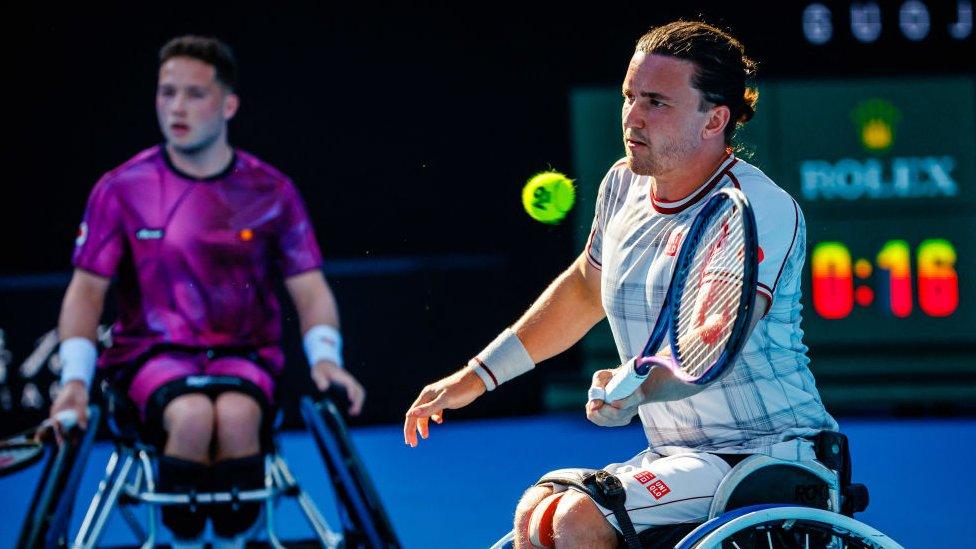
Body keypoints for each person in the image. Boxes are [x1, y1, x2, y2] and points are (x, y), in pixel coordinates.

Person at [404, 20, 838, 548]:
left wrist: (635, 385)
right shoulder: (623, 183)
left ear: (714, 119)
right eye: (629, 96)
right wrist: (475, 378)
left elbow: (709, 344)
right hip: (675, 454)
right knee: (535, 516)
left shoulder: (756, 209)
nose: (633, 116)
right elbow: (585, 290)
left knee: (577, 522)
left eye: (656, 102)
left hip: (767, 455)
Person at [48, 35, 365, 549]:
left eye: (194, 94)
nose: (177, 107)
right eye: (166, 92)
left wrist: (327, 361)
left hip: (245, 358)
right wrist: (75, 383)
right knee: (193, 417)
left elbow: (310, 291)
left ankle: (232, 533)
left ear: (229, 104)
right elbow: (85, 293)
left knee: (238, 417)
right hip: (152, 358)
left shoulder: (272, 191)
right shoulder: (121, 188)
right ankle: (182, 531)